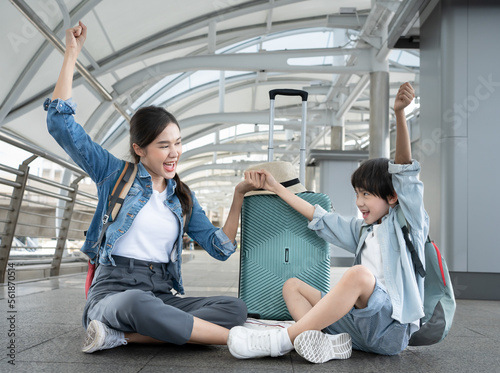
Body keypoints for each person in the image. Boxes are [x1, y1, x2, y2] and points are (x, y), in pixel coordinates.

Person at [45, 22, 263, 353]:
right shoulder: (113, 173)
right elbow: (61, 124)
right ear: (139, 148)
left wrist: (238, 196)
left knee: (234, 308)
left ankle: (123, 337)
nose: (174, 152)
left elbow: (221, 249)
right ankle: (243, 339)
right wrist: (71, 54)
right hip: (114, 293)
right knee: (136, 304)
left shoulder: (182, 197)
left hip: (161, 292)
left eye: (177, 143)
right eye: (163, 145)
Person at [228, 82, 428, 363]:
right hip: (356, 332)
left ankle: (282, 340)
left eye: (367, 194)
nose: (359, 202)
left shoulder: (408, 222)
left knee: (358, 274)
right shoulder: (363, 231)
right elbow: (317, 215)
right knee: (292, 286)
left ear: (393, 197)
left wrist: (399, 115)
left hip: (389, 329)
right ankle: (323, 343)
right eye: (357, 194)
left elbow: (405, 174)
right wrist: (277, 187)